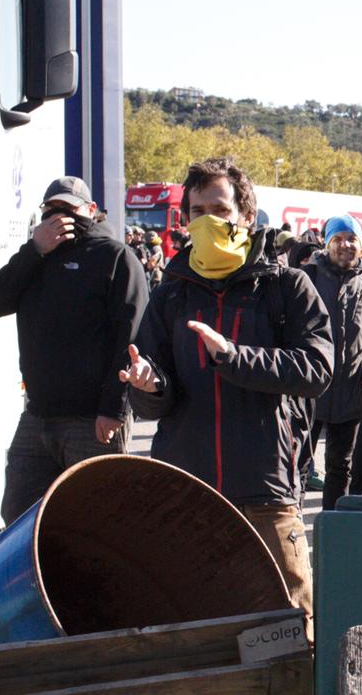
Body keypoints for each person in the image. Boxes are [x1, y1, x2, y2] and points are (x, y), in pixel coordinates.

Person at [119, 157, 334, 613]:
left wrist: (234, 357)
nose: (206, 221)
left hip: (265, 489)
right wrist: (148, 385)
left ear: (246, 217)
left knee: (293, 625)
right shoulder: (172, 291)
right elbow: (155, 394)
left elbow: (317, 369)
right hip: (187, 493)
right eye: (196, 211)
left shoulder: (287, 286)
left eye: (218, 210)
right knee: (193, 623)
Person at [0, 177, 148, 521]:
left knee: (94, 520)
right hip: (38, 415)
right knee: (19, 517)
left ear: (91, 211)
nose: (59, 219)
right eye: (51, 210)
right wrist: (33, 250)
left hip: (91, 420)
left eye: (68, 210)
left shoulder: (115, 257)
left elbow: (132, 338)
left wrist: (114, 408)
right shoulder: (37, 258)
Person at [304, 216, 362, 510]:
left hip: (353, 391)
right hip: (308, 392)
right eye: (337, 239)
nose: (345, 245)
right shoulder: (305, 278)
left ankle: (330, 527)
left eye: (351, 239)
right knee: (297, 466)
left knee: (341, 467)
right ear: (327, 244)